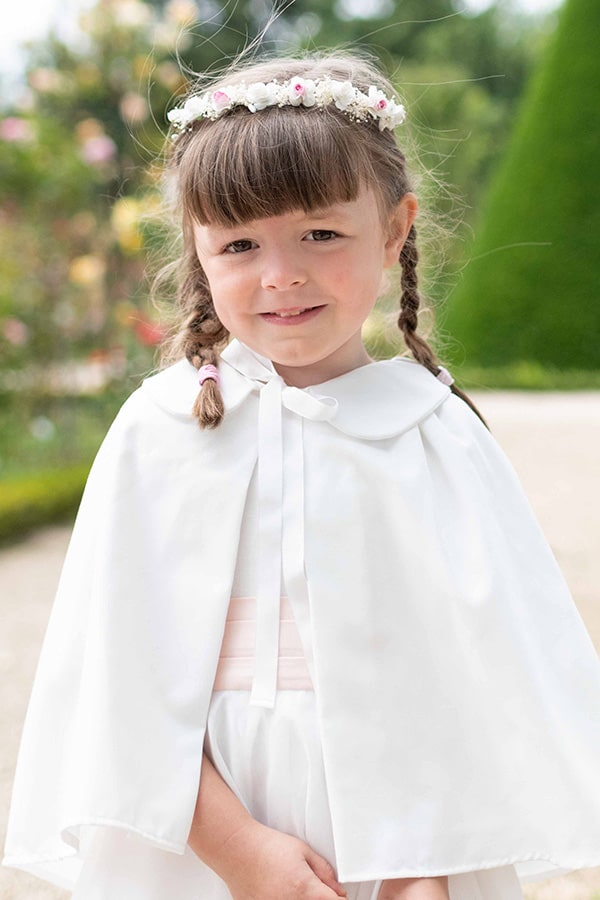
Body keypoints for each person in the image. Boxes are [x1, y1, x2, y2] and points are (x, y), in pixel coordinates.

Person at [4, 51, 600, 900]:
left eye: (320, 233)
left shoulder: (434, 436)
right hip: (204, 826)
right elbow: (116, 669)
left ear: (393, 230)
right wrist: (238, 849)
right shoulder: (161, 432)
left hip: (405, 826)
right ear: (199, 254)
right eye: (240, 244)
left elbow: (473, 672)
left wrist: (415, 859)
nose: (281, 274)